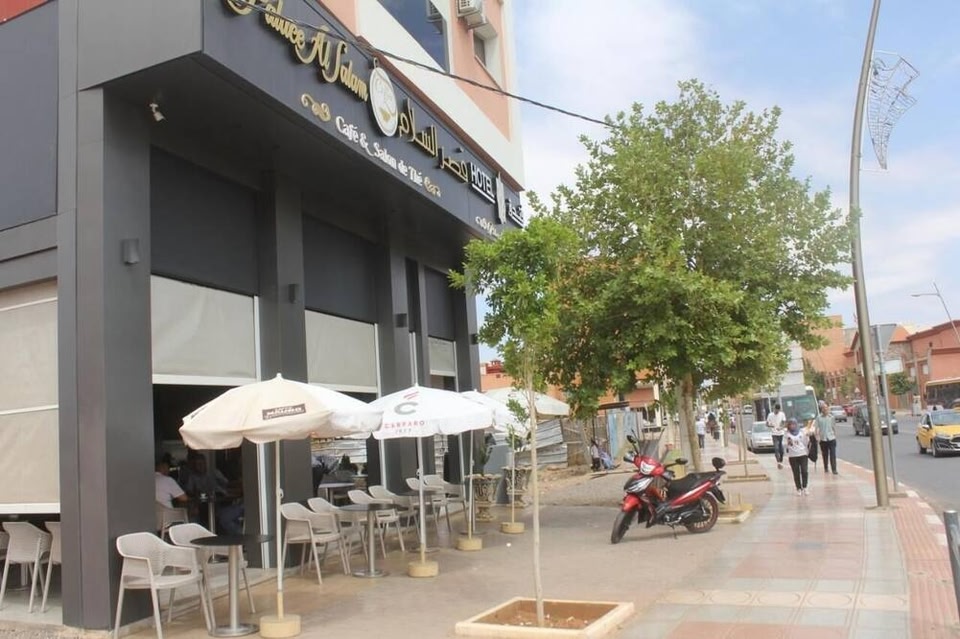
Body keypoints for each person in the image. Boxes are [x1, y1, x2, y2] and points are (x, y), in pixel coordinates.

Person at [784, 417, 813, 495]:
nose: (792, 426)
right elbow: (784, 444)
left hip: (802, 454)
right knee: (796, 472)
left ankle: (805, 487)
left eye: (793, 424)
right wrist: (788, 444)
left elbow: (806, 442)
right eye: (790, 424)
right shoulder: (786, 434)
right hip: (793, 456)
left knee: (804, 471)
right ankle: (798, 488)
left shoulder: (801, 432)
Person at [816, 400, 838, 475]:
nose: (825, 409)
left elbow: (834, 427)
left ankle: (834, 469)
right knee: (825, 454)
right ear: (821, 409)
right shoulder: (819, 418)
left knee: (833, 454)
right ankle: (826, 467)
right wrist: (817, 437)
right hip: (823, 439)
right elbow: (817, 429)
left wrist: (835, 436)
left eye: (826, 408)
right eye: (823, 408)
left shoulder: (831, 417)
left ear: (828, 408)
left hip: (831, 438)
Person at [766, 403, 787, 469]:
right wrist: (771, 425)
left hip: (781, 433)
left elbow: (784, 423)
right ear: (774, 409)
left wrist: (781, 427)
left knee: (781, 448)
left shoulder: (782, 414)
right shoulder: (770, 415)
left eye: (777, 410)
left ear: (779, 410)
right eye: (775, 410)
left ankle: (781, 459)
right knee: (776, 447)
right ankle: (778, 462)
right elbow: (767, 424)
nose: (776, 411)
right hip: (774, 434)